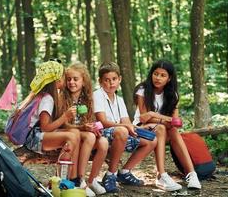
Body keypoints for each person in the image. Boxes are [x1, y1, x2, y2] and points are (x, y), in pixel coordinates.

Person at [133, 59, 201, 191]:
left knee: (173, 131)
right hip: (141, 129)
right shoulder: (142, 90)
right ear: (151, 74)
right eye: (155, 74)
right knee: (162, 127)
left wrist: (154, 114)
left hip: (161, 130)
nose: (158, 78)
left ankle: (192, 174)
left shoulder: (172, 95)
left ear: (169, 79)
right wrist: (163, 118)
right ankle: (161, 175)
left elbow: (175, 123)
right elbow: (144, 118)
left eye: (163, 75)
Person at [93, 62, 157, 193]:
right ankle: (111, 174)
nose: (111, 83)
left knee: (152, 140)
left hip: (119, 134)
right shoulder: (97, 95)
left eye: (114, 79)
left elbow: (127, 123)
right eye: (106, 80)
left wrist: (141, 129)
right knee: (122, 131)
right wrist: (126, 126)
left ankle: (125, 172)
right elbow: (103, 121)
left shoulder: (119, 100)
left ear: (119, 79)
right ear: (100, 81)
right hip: (101, 134)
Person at [23, 60, 80, 183]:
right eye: (64, 77)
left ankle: (68, 178)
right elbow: (45, 128)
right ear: (58, 80)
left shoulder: (44, 95)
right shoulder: (47, 98)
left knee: (74, 133)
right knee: (71, 137)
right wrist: (65, 117)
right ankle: (62, 180)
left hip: (36, 135)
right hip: (33, 138)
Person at [59, 63, 108, 196]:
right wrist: (83, 127)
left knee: (103, 142)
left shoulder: (88, 98)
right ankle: (80, 179)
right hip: (70, 133)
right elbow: (63, 124)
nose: (71, 82)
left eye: (75, 79)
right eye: (68, 79)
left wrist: (94, 127)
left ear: (84, 81)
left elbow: (90, 119)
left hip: (83, 132)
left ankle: (92, 180)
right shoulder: (62, 97)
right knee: (90, 137)